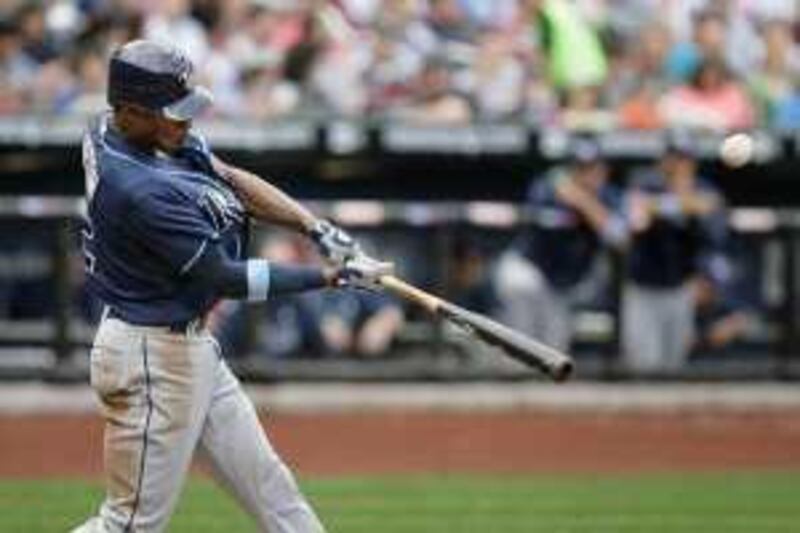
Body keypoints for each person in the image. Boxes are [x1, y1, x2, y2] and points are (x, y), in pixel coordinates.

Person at [70, 40, 391, 533]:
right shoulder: (138, 189)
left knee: (272, 491)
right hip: (153, 354)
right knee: (129, 525)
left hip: (187, 347)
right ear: (131, 112)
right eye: (172, 113)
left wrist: (316, 229)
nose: (186, 122)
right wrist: (331, 277)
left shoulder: (134, 134)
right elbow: (227, 278)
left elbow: (233, 180)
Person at [494, 139, 627, 352]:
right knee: (521, 343)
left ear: (604, 170)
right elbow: (535, 207)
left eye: (593, 167)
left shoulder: (609, 196)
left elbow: (619, 238)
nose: (587, 174)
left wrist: (583, 202)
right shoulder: (548, 187)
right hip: (531, 270)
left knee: (553, 354)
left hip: (562, 286)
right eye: (581, 168)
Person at [623, 132, 727, 374]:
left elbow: (715, 227)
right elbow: (636, 221)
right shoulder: (644, 182)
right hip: (643, 289)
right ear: (663, 160)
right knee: (643, 365)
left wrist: (667, 203)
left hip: (681, 288)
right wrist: (683, 203)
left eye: (685, 159)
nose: (679, 165)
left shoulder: (704, 188)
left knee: (674, 367)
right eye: (674, 158)